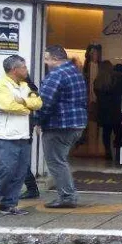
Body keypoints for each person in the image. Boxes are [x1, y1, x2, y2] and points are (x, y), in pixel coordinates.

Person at [0, 55, 41, 216]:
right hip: (5, 136)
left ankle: (9, 204)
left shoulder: (24, 86)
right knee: (5, 170)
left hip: (22, 136)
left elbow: (38, 103)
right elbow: (8, 105)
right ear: (15, 70)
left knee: (20, 172)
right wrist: (26, 108)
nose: (26, 70)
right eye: (24, 67)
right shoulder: (1, 85)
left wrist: (22, 102)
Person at [36, 45, 89, 209]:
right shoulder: (75, 72)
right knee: (61, 160)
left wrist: (37, 121)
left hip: (59, 124)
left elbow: (44, 102)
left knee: (56, 161)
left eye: (46, 58)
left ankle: (67, 196)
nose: (45, 62)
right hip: (76, 123)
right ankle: (68, 194)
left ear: (55, 59)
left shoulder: (56, 74)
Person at [92, 60, 122, 162]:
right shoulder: (119, 78)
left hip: (104, 111)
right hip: (117, 109)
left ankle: (108, 152)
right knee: (119, 133)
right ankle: (119, 154)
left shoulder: (98, 81)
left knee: (106, 133)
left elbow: (98, 95)